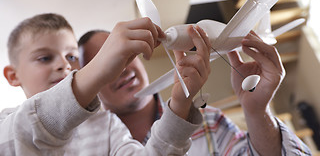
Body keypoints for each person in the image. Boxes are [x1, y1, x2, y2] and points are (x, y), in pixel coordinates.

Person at [0, 13, 212, 155]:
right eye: (45, 58)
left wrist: (178, 106)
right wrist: (96, 70)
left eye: (72, 57)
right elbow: (23, 134)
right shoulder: (5, 123)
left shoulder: (107, 125)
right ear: (12, 75)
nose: (64, 65)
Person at [78, 29, 312, 155]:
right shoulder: (94, 149)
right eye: (104, 64)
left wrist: (257, 111)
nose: (122, 69)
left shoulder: (207, 122)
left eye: (124, 55)